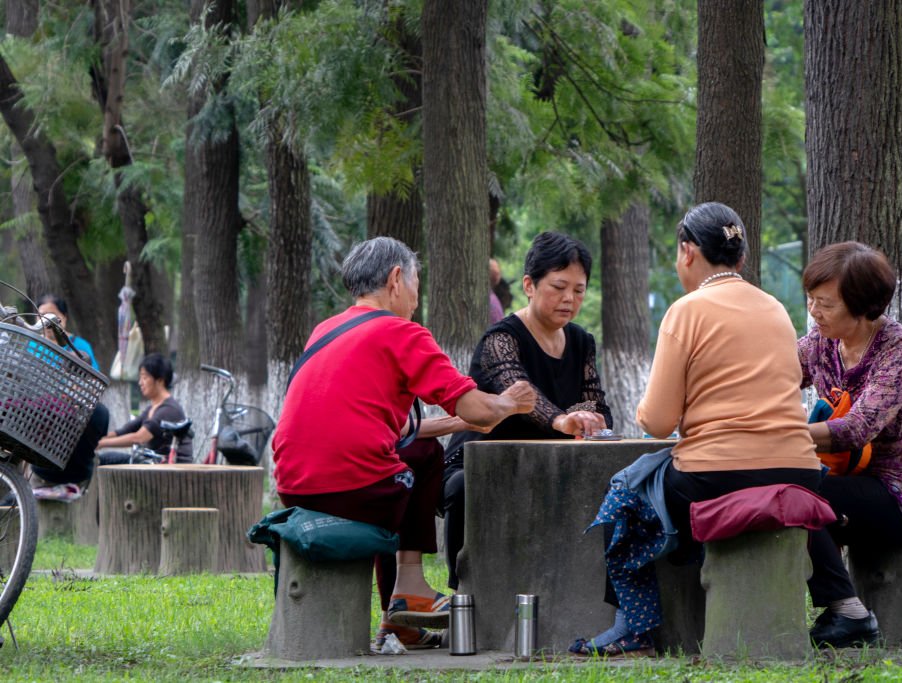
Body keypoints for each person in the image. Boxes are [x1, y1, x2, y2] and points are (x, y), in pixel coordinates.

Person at [570, 202, 821, 657]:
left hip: (717, 474)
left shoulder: (687, 311)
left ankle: (635, 627)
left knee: (624, 494)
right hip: (799, 469)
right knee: (665, 488)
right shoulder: (776, 309)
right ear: (740, 258)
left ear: (687, 251)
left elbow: (658, 421)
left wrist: (656, 407)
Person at [271, 236, 536, 652]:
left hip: (293, 486)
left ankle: (400, 620)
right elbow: (479, 410)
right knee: (416, 462)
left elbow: (381, 432)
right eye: (416, 284)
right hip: (350, 490)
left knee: (402, 458)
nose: (416, 299)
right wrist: (511, 402)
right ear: (396, 279)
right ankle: (409, 587)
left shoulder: (326, 330)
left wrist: (460, 418)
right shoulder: (401, 332)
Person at [442, 231, 612, 590]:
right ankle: (461, 592)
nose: (569, 298)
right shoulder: (501, 339)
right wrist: (563, 419)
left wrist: (587, 416)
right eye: (558, 287)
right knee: (461, 486)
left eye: (578, 290)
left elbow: (594, 401)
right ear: (529, 285)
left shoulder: (582, 341)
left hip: (548, 458)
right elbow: (521, 394)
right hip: (482, 459)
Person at [800, 242, 902, 648]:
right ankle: (844, 608)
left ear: (863, 305)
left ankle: (848, 614)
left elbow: (857, 426)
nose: (814, 312)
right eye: (811, 300)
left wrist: (779, 433)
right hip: (852, 478)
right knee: (787, 483)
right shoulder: (820, 342)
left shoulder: (900, 351)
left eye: (826, 304)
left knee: (797, 488)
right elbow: (771, 374)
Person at [97, 353, 193, 464]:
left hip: (172, 470)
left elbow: (138, 438)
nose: (140, 383)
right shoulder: (152, 408)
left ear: (160, 380)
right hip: (154, 463)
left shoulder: (169, 409)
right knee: (104, 459)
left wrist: (101, 443)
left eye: (145, 377)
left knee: (108, 460)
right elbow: (125, 431)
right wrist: (97, 438)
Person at [36, 294, 101, 371]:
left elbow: (93, 377)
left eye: (51, 316)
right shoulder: (33, 344)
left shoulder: (80, 345)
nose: (46, 320)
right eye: (42, 315)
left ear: (64, 317)